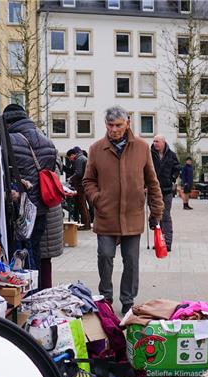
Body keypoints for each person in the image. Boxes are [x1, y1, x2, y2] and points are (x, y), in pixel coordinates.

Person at [83, 105, 164, 315]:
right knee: (105, 256)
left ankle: (128, 299)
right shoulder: (96, 148)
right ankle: (106, 297)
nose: (114, 129)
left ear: (127, 122)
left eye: (118, 125)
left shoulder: (141, 148)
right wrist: (96, 198)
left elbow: (152, 182)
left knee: (131, 260)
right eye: (110, 125)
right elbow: (88, 180)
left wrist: (157, 212)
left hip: (132, 215)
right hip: (106, 215)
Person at [3, 103, 61, 289]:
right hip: (41, 208)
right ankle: (36, 293)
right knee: (34, 249)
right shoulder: (46, 140)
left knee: (20, 254)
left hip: (18, 207)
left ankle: (27, 295)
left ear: (8, 121)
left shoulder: (8, 140)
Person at [150, 135, 181, 252]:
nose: (155, 143)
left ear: (163, 142)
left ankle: (167, 242)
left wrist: (172, 178)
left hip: (167, 190)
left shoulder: (171, 155)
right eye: (154, 141)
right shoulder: (149, 154)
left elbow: (177, 168)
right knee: (156, 216)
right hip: (153, 190)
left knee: (166, 215)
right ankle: (158, 241)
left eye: (157, 141)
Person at [67, 147, 92, 230]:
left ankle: (86, 225)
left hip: (80, 185)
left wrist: (70, 178)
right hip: (85, 184)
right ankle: (87, 223)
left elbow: (78, 173)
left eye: (69, 157)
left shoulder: (79, 159)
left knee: (82, 205)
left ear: (73, 155)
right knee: (84, 206)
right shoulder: (83, 158)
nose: (69, 159)